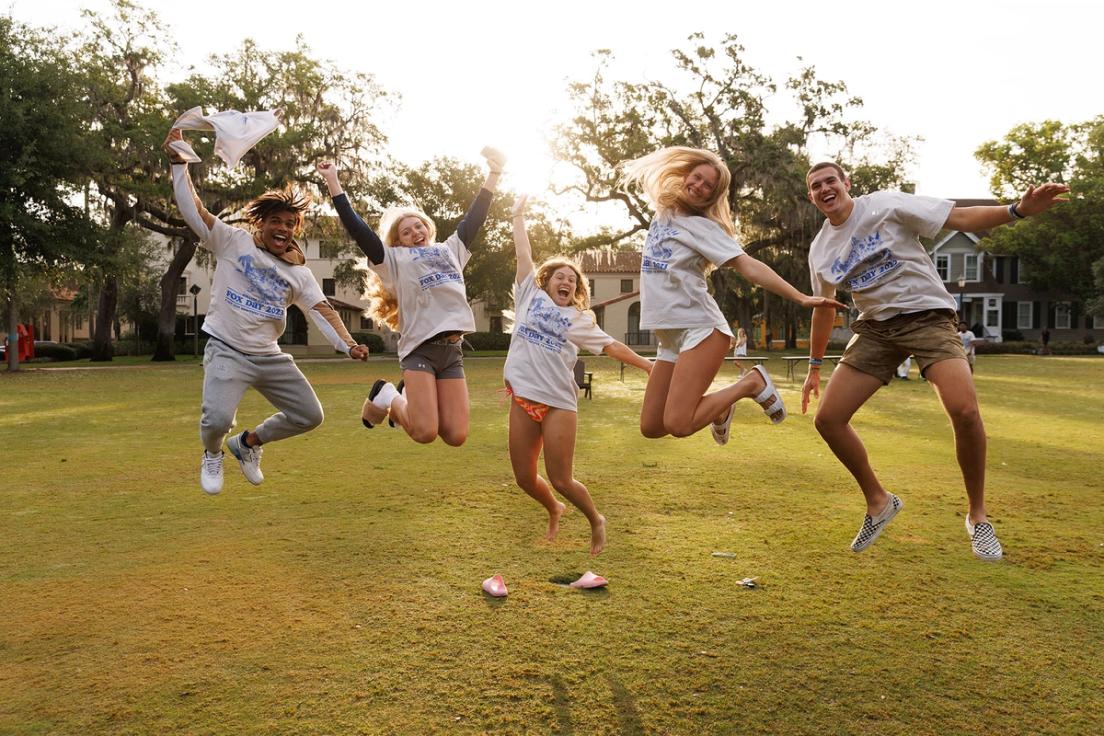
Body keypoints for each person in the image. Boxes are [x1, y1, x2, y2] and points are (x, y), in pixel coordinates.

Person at [801, 161, 1069, 560]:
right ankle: (879, 501)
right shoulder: (821, 249)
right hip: (876, 328)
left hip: (927, 315)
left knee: (964, 411)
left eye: (830, 181)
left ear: (846, 184)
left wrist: (1017, 210)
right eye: (815, 186)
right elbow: (824, 309)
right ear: (811, 196)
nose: (825, 189)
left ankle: (977, 517)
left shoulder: (885, 205)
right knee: (828, 419)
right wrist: (814, 365)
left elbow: (957, 216)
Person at [164, 129, 369, 495]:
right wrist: (179, 165)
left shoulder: (299, 274)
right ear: (261, 223)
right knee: (216, 421)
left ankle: (248, 443)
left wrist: (349, 344)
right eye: (277, 221)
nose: (283, 229)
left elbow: (321, 310)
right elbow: (194, 212)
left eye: (290, 224)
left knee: (310, 415)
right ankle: (213, 453)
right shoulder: (233, 241)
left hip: (269, 356)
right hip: (227, 349)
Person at [621, 146, 846, 447]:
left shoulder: (702, 228)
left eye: (708, 186)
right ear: (685, 175)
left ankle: (751, 382)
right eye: (696, 177)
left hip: (700, 329)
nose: (699, 187)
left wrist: (801, 298)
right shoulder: (664, 212)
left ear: (713, 196)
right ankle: (723, 405)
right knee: (651, 425)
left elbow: (748, 266)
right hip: (669, 337)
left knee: (678, 422)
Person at [316, 150, 504, 446]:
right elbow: (358, 229)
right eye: (406, 231)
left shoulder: (450, 250)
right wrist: (333, 181)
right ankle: (388, 394)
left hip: (452, 351)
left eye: (418, 226)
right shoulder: (393, 260)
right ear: (398, 241)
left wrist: (494, 174)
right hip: (420, 349)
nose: (415, 232)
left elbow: (475, 217)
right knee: (424, 432)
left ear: (427, 228)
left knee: (456, 436)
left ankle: (398, 399)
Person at [503, 195, 652, 555]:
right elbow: (524, 254)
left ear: (577, 290)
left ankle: (596, 520)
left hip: (558, 404)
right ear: (546, 281)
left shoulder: (580, 321)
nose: (565, 281)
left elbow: (613, 346)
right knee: (524, 478)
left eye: (572, 279)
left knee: (561, 479)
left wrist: (649, 366)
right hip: (524, 398)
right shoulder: (529, 297)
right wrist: (518, 216)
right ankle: (553, 507)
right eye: (559, 276)